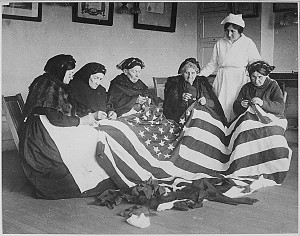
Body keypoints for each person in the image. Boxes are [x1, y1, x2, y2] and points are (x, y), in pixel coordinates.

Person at [19, 54, 116, 199]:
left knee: (87, 135)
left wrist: (88, 116)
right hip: (39, 135)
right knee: (87, 139)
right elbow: (56, 118)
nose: (71, 77)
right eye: (70, 74)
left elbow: (65, 109)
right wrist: (83, 121)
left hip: (45, 126)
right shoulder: (48, 85)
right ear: (60, 71)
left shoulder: (53, 83)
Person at [199, 13, 261, 122]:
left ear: (240, 31)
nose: (229, 33)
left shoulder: (248, 43)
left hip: (240, 78)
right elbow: (212, 64)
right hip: (223, 79)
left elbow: (256, 64)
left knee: (238, 104)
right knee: (221, 105)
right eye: (227, 30)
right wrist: (199, 76)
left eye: (233, 31)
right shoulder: (220, 43)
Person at [163, 58, 227, 124]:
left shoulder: (202, 84)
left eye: (193, 73)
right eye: (187, 73)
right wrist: (182, 100)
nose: (190, 76)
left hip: (201, 116)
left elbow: (213, 104)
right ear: (182, 73)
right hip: (183, 118)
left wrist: (206, 102)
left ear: (196, 73)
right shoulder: (175, 84)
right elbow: (171, 108)